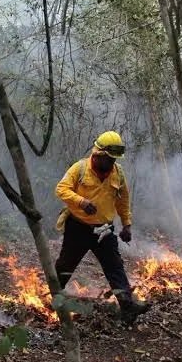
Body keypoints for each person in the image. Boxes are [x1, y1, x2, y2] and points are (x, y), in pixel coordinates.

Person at [55, 130, 150, 324]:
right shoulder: (79, 168)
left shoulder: (118, 173)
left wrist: (127, 225)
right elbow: (61, 189)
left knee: (115, 267)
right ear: (97, 154)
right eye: (108, 159)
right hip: (78, 228)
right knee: (65, 265)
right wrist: (81, 202)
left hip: (104, 230)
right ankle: (52, 296)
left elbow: (123, 201)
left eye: (114, 160)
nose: (111, 164)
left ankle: (127, 307)